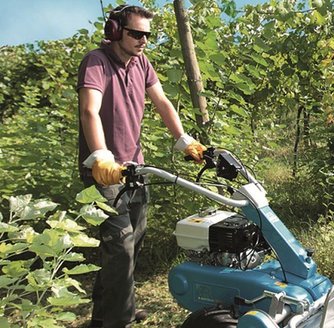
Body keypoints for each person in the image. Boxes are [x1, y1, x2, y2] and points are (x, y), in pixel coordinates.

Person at [76, 4, 206, 327]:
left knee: (128, 247)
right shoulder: (96, 62)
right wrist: (102, 157)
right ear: (115, 30)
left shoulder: (142, 63)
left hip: (135, 170)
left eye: (147, 35)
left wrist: (184, 140)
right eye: (136, 33)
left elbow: (162, 102)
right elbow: (89, 112)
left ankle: (108, 313)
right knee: (120, 249)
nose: (143, 40)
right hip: (103, 172)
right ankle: (118, 320)